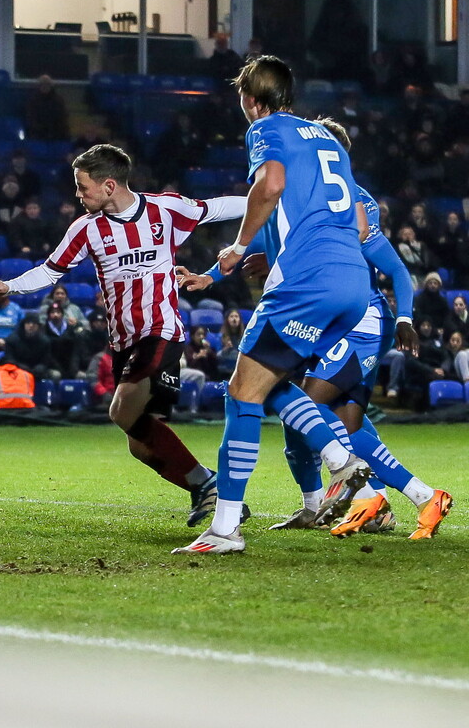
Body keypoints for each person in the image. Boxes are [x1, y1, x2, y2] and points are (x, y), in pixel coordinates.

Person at [179, 116, 450, 541]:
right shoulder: (304, 194)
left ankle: (375, 491)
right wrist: (211, 276)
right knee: (324, 417)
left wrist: (403, 318)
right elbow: (267, 237)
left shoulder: (350, 200)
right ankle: (361, 500)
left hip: (354, 319)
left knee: (298, 402)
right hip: (327, 309)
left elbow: (383, 258)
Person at [0, 143, 250, 527]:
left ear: (108, 185)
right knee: (140, 444)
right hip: (123, 342)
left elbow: (218, 208)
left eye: (82, 187)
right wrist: (9, 285)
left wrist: (266, 200)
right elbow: (50, 271)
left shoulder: (164, 209)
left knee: (120, 410)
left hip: (161, 331)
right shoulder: (85, 229)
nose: (77, 194)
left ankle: (208, 486)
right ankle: (209, 486)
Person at [173, 57, 377, 554]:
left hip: (308, 283)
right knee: (272, 382)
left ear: (252, 99)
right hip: (352, 282)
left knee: (241, 393)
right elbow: (361, 224)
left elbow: (270, 186)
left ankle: (224, 531)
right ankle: (340, 462)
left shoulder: (265, 128)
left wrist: (239, 247)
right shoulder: (327, 138)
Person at [24, 74, 69, 141]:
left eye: (47, 84)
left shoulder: (58, 100)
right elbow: (31, 117)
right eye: (42, 84)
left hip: (55, 132)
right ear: (39, 86)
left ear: (51, 86)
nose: (45, 86)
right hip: (38, 132)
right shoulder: (33, 100)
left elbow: (62, 117)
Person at [217, 308, 244, 377]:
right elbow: (217, 356)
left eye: (236, 316)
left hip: (240, 370)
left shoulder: (244, 337)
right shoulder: (221, 336)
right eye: (231, 316)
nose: (234, 319)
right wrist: (225, 349)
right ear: (227, 320)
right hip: (224, 371)